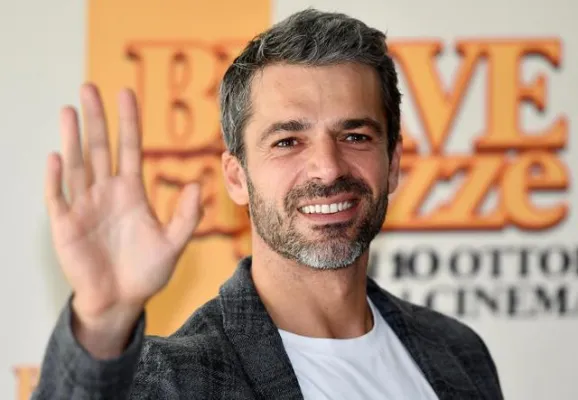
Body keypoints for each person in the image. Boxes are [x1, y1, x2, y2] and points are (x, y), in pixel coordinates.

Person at [33, 8, 503, 400]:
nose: (327, 168)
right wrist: (101, 324)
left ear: (393, 163)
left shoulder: (458, 351)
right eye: (287, 141)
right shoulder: (177, 379)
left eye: (355, 136)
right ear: (236, 177)